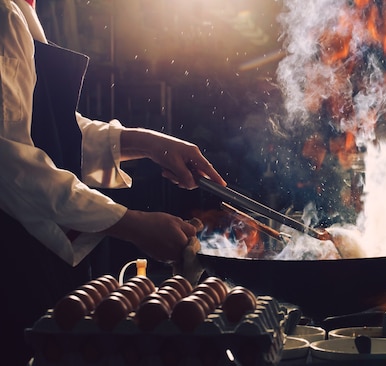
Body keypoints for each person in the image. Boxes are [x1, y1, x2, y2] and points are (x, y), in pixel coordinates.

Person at [0, 0, 227, 364]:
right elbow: (10, 164)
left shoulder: (20, 10)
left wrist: (146, 142)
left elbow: (48, 131)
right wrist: (129, 223)